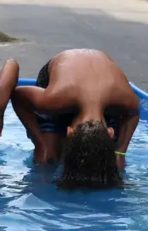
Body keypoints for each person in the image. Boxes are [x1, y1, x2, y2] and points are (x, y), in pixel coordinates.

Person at [11, 49, 140, 190]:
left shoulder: (124, 99)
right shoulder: (53, 99)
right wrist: (39, 141)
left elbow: (133, 114)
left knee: (103, 156)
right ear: (110, 132)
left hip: (101, 91)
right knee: (47, 156)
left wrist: (121, 152)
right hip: (59, 84)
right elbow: (18, 96)